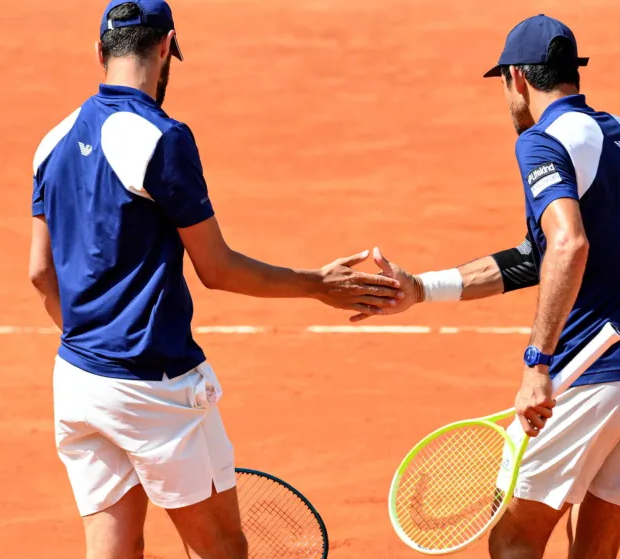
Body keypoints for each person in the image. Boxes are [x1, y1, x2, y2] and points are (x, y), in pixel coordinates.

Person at [27, 1, 403, 557]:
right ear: (165, 47)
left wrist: (92, 342)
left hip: (77, 380)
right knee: (221, 547)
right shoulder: (162, 138)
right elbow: (217, 268)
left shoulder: (51, 142)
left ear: (100, 52)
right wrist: (316, 284)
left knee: (113, 549)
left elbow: (39, 274)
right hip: (154, 386)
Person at [358, 14, 620, 559]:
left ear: (516, 78)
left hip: (591, 375)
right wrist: (422, 287)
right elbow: (542, 257)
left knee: (514, 539)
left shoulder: (543, 141)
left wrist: (538, 364)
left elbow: (567, 246)